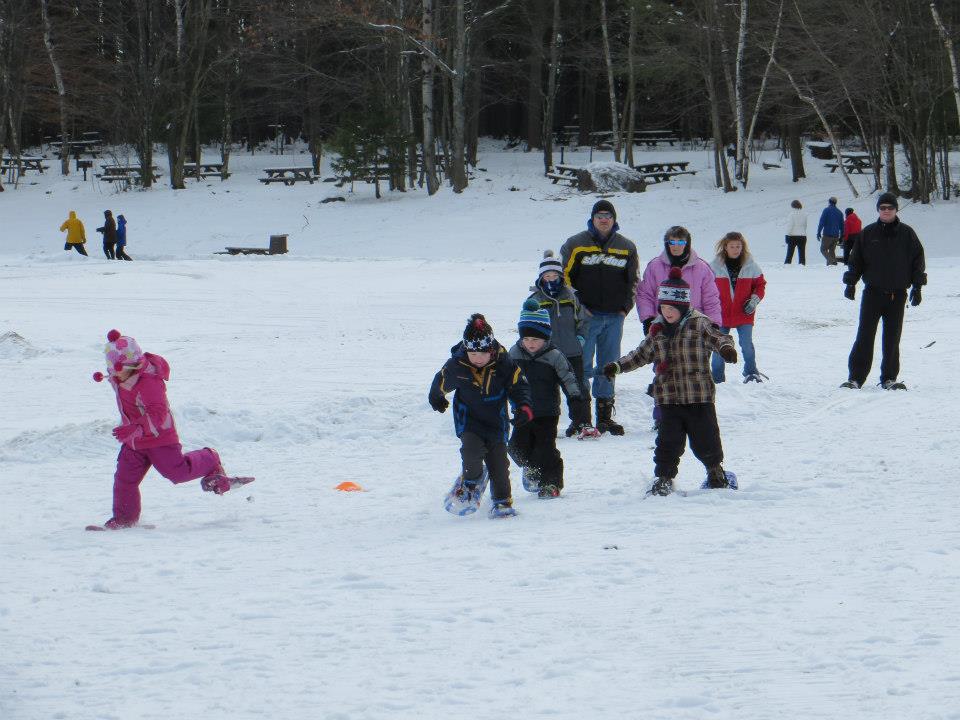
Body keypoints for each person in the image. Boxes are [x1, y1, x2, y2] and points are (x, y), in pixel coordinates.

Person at [91, 329, 252, 529]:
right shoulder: (120, 377)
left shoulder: (149, 383)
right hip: (134, 442)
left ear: (132, 365)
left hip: (160, 438)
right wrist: (133, 431)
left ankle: (210, 458)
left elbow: (158, 413)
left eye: (116, 367)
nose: (112, 372)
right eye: (110, 366)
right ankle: (125, 519)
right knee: (125, 479)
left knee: (177, 473)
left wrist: (136, 428)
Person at [603, 268, 737, 496]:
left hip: (698, 397)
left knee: (706, 439)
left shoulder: (699, 324)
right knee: (667, 443)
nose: (667, 312)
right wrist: (617, 366)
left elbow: (719, 337)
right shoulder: (657, 330)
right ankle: (664, 478)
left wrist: (726, 349)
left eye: (671, 308)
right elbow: (640, 354)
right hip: (668, 399)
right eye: (663, 308)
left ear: (683, 306)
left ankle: (715, 471)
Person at [429, 313, 533, 518]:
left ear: (491, 350)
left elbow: (519, 386)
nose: (477, 359)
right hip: (469, 421)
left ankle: (502, 501)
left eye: (482, 354)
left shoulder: (504, 364)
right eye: (472, 354)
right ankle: (471, 482)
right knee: (471, 452)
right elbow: (441, 380)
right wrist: (437, 396)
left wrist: (523, 407)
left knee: (499, 464)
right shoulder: (457, 364)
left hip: (497, 422)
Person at [560, 200, 638, 436]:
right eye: (599, 215)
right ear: (592, 219)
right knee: (581, 366)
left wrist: (625, 307)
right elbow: (564, 279)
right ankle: (581, 417)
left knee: (609, 365)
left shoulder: (626, 247)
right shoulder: (575, 244)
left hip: (614, 317)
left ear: (614, 220)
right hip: (586, 318)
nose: (604, 219)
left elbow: (633, 280)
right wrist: (580, 307)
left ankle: (604, 417)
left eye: (608, 215)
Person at [637, 226, 722, 427]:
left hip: (695, 327)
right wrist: (648, 318)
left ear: (687, 244)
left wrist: (714, 323)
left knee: (696, 371)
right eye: (672, 242)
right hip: (664, 325)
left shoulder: (701, 268)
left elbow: (711, 298)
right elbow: (646, 294)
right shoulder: (655, 266)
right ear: (667, 244)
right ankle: (663, 417)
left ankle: (698, 415)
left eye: (680, 242)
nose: (676, 247)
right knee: (663, 371)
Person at [841, 193, 926, 390]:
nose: (886, 210)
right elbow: (856, 260)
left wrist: (917, 287)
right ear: (878, 210)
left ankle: (889, 378)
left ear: (896, 210)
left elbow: (917, 262)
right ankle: (855, 378)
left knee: (892, 337)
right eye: (882, 208)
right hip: (873, 293)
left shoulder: (907, 234)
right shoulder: (868, 233)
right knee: (865, 336)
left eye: (890, 207)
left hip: (897, 295)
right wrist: (851, 283)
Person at [507, 300, 584, 498]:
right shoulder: (513, 354)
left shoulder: (554, 356)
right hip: (522, 412)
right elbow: (503, 380)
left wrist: (576, 401)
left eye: (536, 339)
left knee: (545, 449)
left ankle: (552, 483)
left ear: (546, 337)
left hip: (547, 413)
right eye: (527, 338)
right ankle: (532, 467)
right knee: (516, 447)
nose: (531, 343)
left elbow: (569, 379)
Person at [527, 250, 595, 438]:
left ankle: (582, 422)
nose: (550, 279)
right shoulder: (535, 300)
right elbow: (528, 327)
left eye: (554, 275)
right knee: (546, 390)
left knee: (577, 387)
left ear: (560, 276)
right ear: (541, 278)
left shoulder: (571, 296)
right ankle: (545, 425)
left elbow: (583, 320)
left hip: (572, 351)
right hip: (546, 354)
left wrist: (580, 338)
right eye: (547, 276)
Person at [709, 232, 767, 383]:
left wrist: (754, 300)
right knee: (718, 346)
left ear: (743, 247)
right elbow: (706, 288)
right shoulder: (714, 267)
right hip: (720, 315)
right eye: (732, 246)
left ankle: (751, 372)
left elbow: (760, 285)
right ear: (725, 247)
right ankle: (717, 377)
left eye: (738, 246)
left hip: (744, 313)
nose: (735, 249)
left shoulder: (751, 266)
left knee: (747, 344)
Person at [816, 197, 844, 266]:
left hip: (827, 234)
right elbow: (842, 225)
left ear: (829, 202)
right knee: (832, 251)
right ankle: (831, 267)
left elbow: (822, 222)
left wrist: (819, 232)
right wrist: (841, 235)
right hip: (836, 235)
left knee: (823, 249)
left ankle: (832, 262)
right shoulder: (839, 212)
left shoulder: (826, 210)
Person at [785, 199, 807, 265]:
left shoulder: (791, 214)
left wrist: (787, 234)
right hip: (802, 236)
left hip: (792, 236)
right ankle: (802, 265)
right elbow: (805, 225)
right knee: (802, 253)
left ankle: (787, 265)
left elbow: (790, 225)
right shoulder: (804, 214)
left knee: (790, 253)